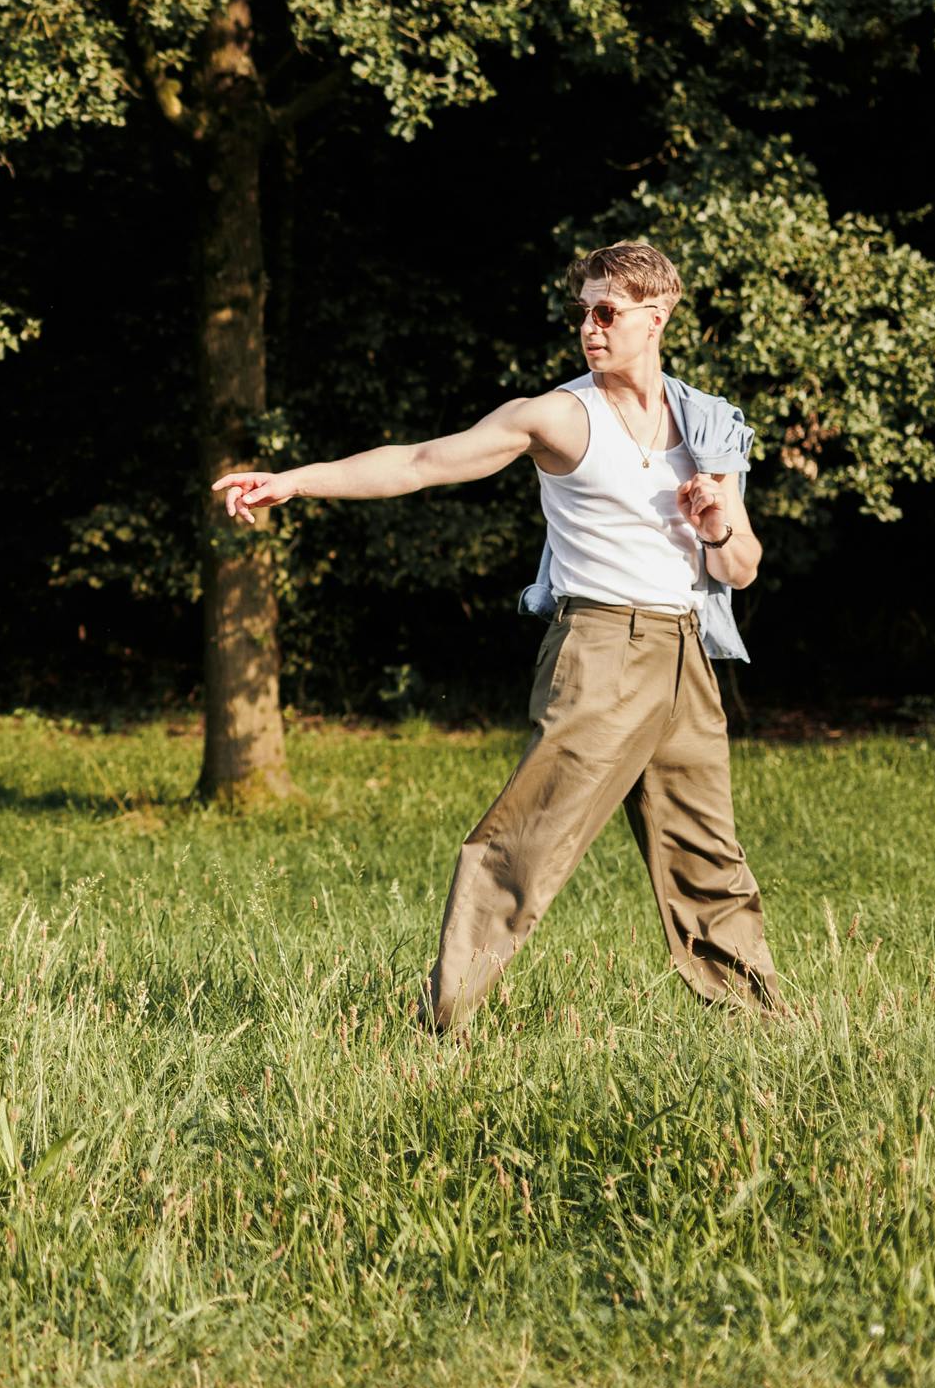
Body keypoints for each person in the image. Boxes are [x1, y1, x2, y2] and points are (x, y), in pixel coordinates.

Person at [212, 241, 782, 1034]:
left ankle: (761, 1025)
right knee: (528, 842)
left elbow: (744, 567)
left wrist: (717, 527)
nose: (589, 325)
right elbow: (418, 462)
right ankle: (442, 1020)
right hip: (602, 649)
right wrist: (296, 481)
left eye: (607, 311)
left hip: (686, 652)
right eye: (582, 310)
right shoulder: (558, 415)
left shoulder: (707, 425)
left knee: (708, 855)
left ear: (657, 318)